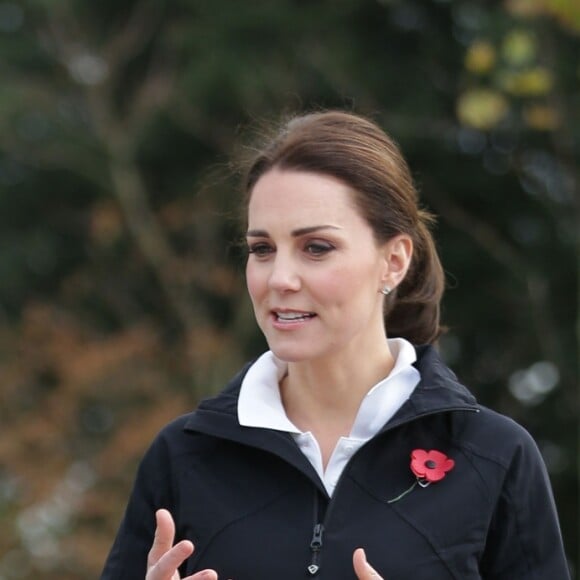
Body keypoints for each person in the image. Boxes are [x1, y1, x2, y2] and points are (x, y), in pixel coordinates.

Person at [100, 110, 570, 580]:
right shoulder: (182, 457)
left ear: (394, 261)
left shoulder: (494, 456)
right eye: (262, 249)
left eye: (316, 248)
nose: (279, 279)